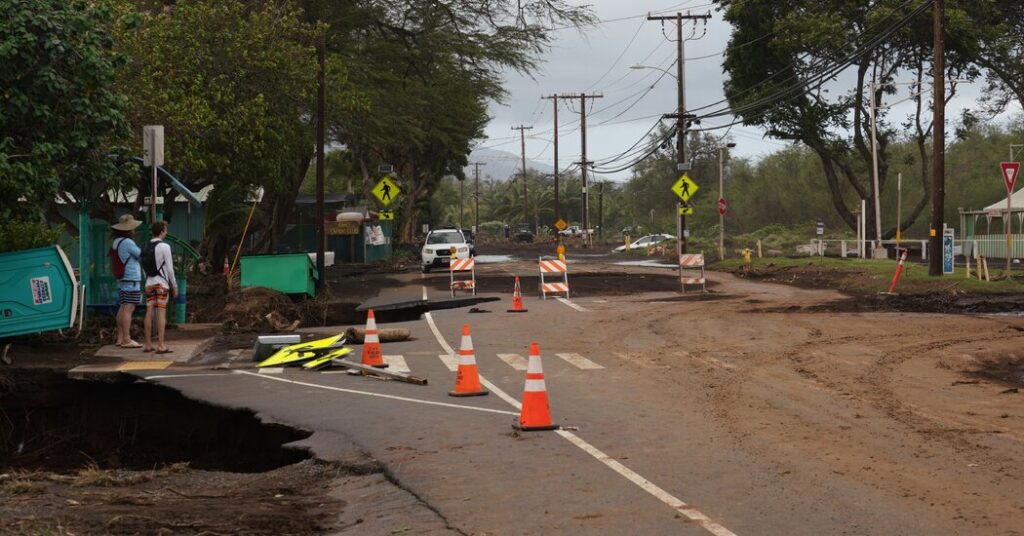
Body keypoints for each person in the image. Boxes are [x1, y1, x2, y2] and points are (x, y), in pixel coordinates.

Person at [142, 220, 177, 354]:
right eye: (165, 230)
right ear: (161, 232)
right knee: (161, 313)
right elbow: (170, 269)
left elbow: (144, 267)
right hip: (161, 284)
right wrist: (174, 285)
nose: (166, 232)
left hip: (149, 283)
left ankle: (148, 344)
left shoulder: (146, 246)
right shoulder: (164, 247)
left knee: (149, 312)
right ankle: (161, 345)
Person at [111, 214, 143, 348]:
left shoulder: (116, 241)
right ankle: (127, 339)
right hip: (131, 278)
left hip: (123, 279)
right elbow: (140, 254)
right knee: (129, 308)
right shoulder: (128, 242)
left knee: (123, 307)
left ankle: (120, 338)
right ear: (129, 229)